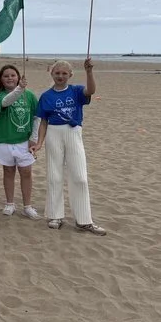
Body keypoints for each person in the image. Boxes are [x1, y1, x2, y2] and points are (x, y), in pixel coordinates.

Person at [32, 59, 106, 235]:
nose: (60, 76)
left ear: (70, 75)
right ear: (52, 74)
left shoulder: (76, 91)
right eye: (57, 73)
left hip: (73, 132)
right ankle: (55, 215)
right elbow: (43, 121)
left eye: (64, 73)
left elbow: (91, 91)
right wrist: (39, 142)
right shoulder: (46, 96)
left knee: (80, 176)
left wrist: (89, 72)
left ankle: (84, 220)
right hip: (53, 133)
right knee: (54, 176)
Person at [0, 65, 40, 220]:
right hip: (5, 140)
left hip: (24, 141)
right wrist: (19, 88)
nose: (10, 78)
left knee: (26, 172)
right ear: (1, 79)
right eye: (6, 76)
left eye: (13, 75)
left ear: (18, 77)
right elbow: (6, 102)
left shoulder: (30, 96)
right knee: (8, 171)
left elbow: (36, 117)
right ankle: (10, 203)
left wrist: (34, 137)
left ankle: (27, 206)